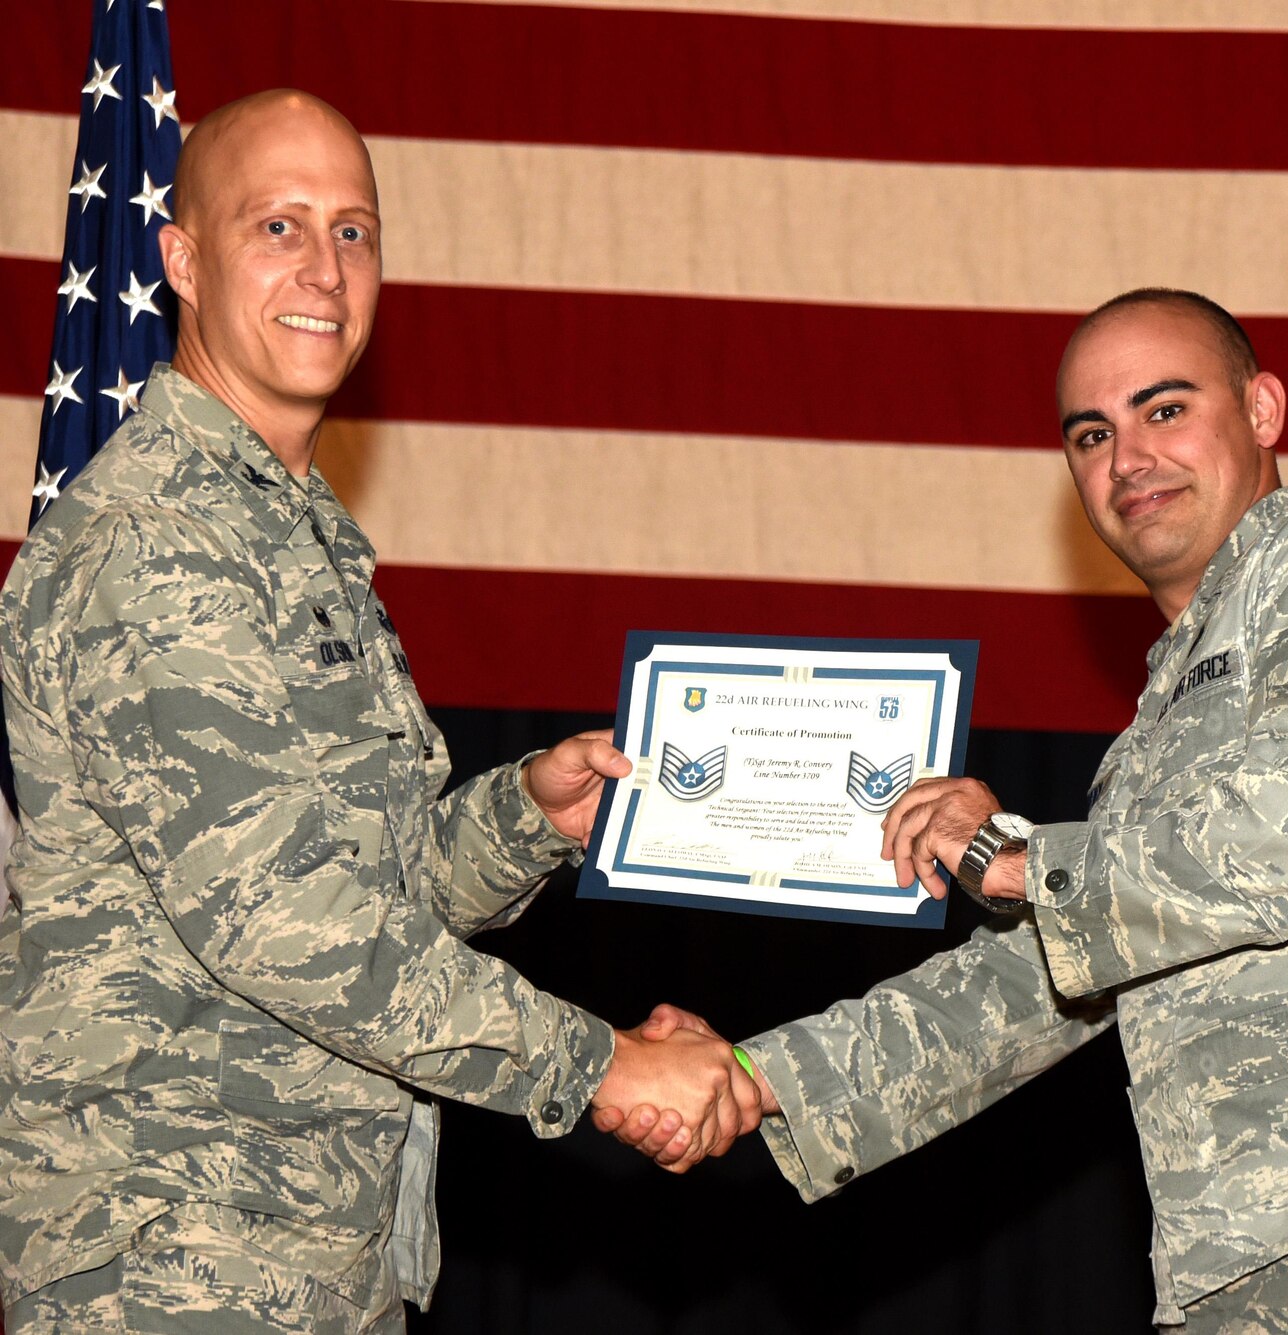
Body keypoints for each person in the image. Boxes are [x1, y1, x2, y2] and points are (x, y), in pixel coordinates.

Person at [605, 290, 1288, 1331]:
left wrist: (1013, 861)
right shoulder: (1162, 715)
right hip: (1249, 1245)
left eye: (1163, 410)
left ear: (1264, 409)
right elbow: (1038, 981)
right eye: (1091, 434)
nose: (1127, 459)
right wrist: (752, 1076)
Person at [0, 90, 758, 1333]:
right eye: (278, 227)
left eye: (353, 231)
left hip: (307, 1248)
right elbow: (287, 922)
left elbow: (369, 884)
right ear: (181, 259)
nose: (325, 270)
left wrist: (526, 819)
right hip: (171, 1254)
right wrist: (606, 1064)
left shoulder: (286, 533)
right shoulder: (158, 550)